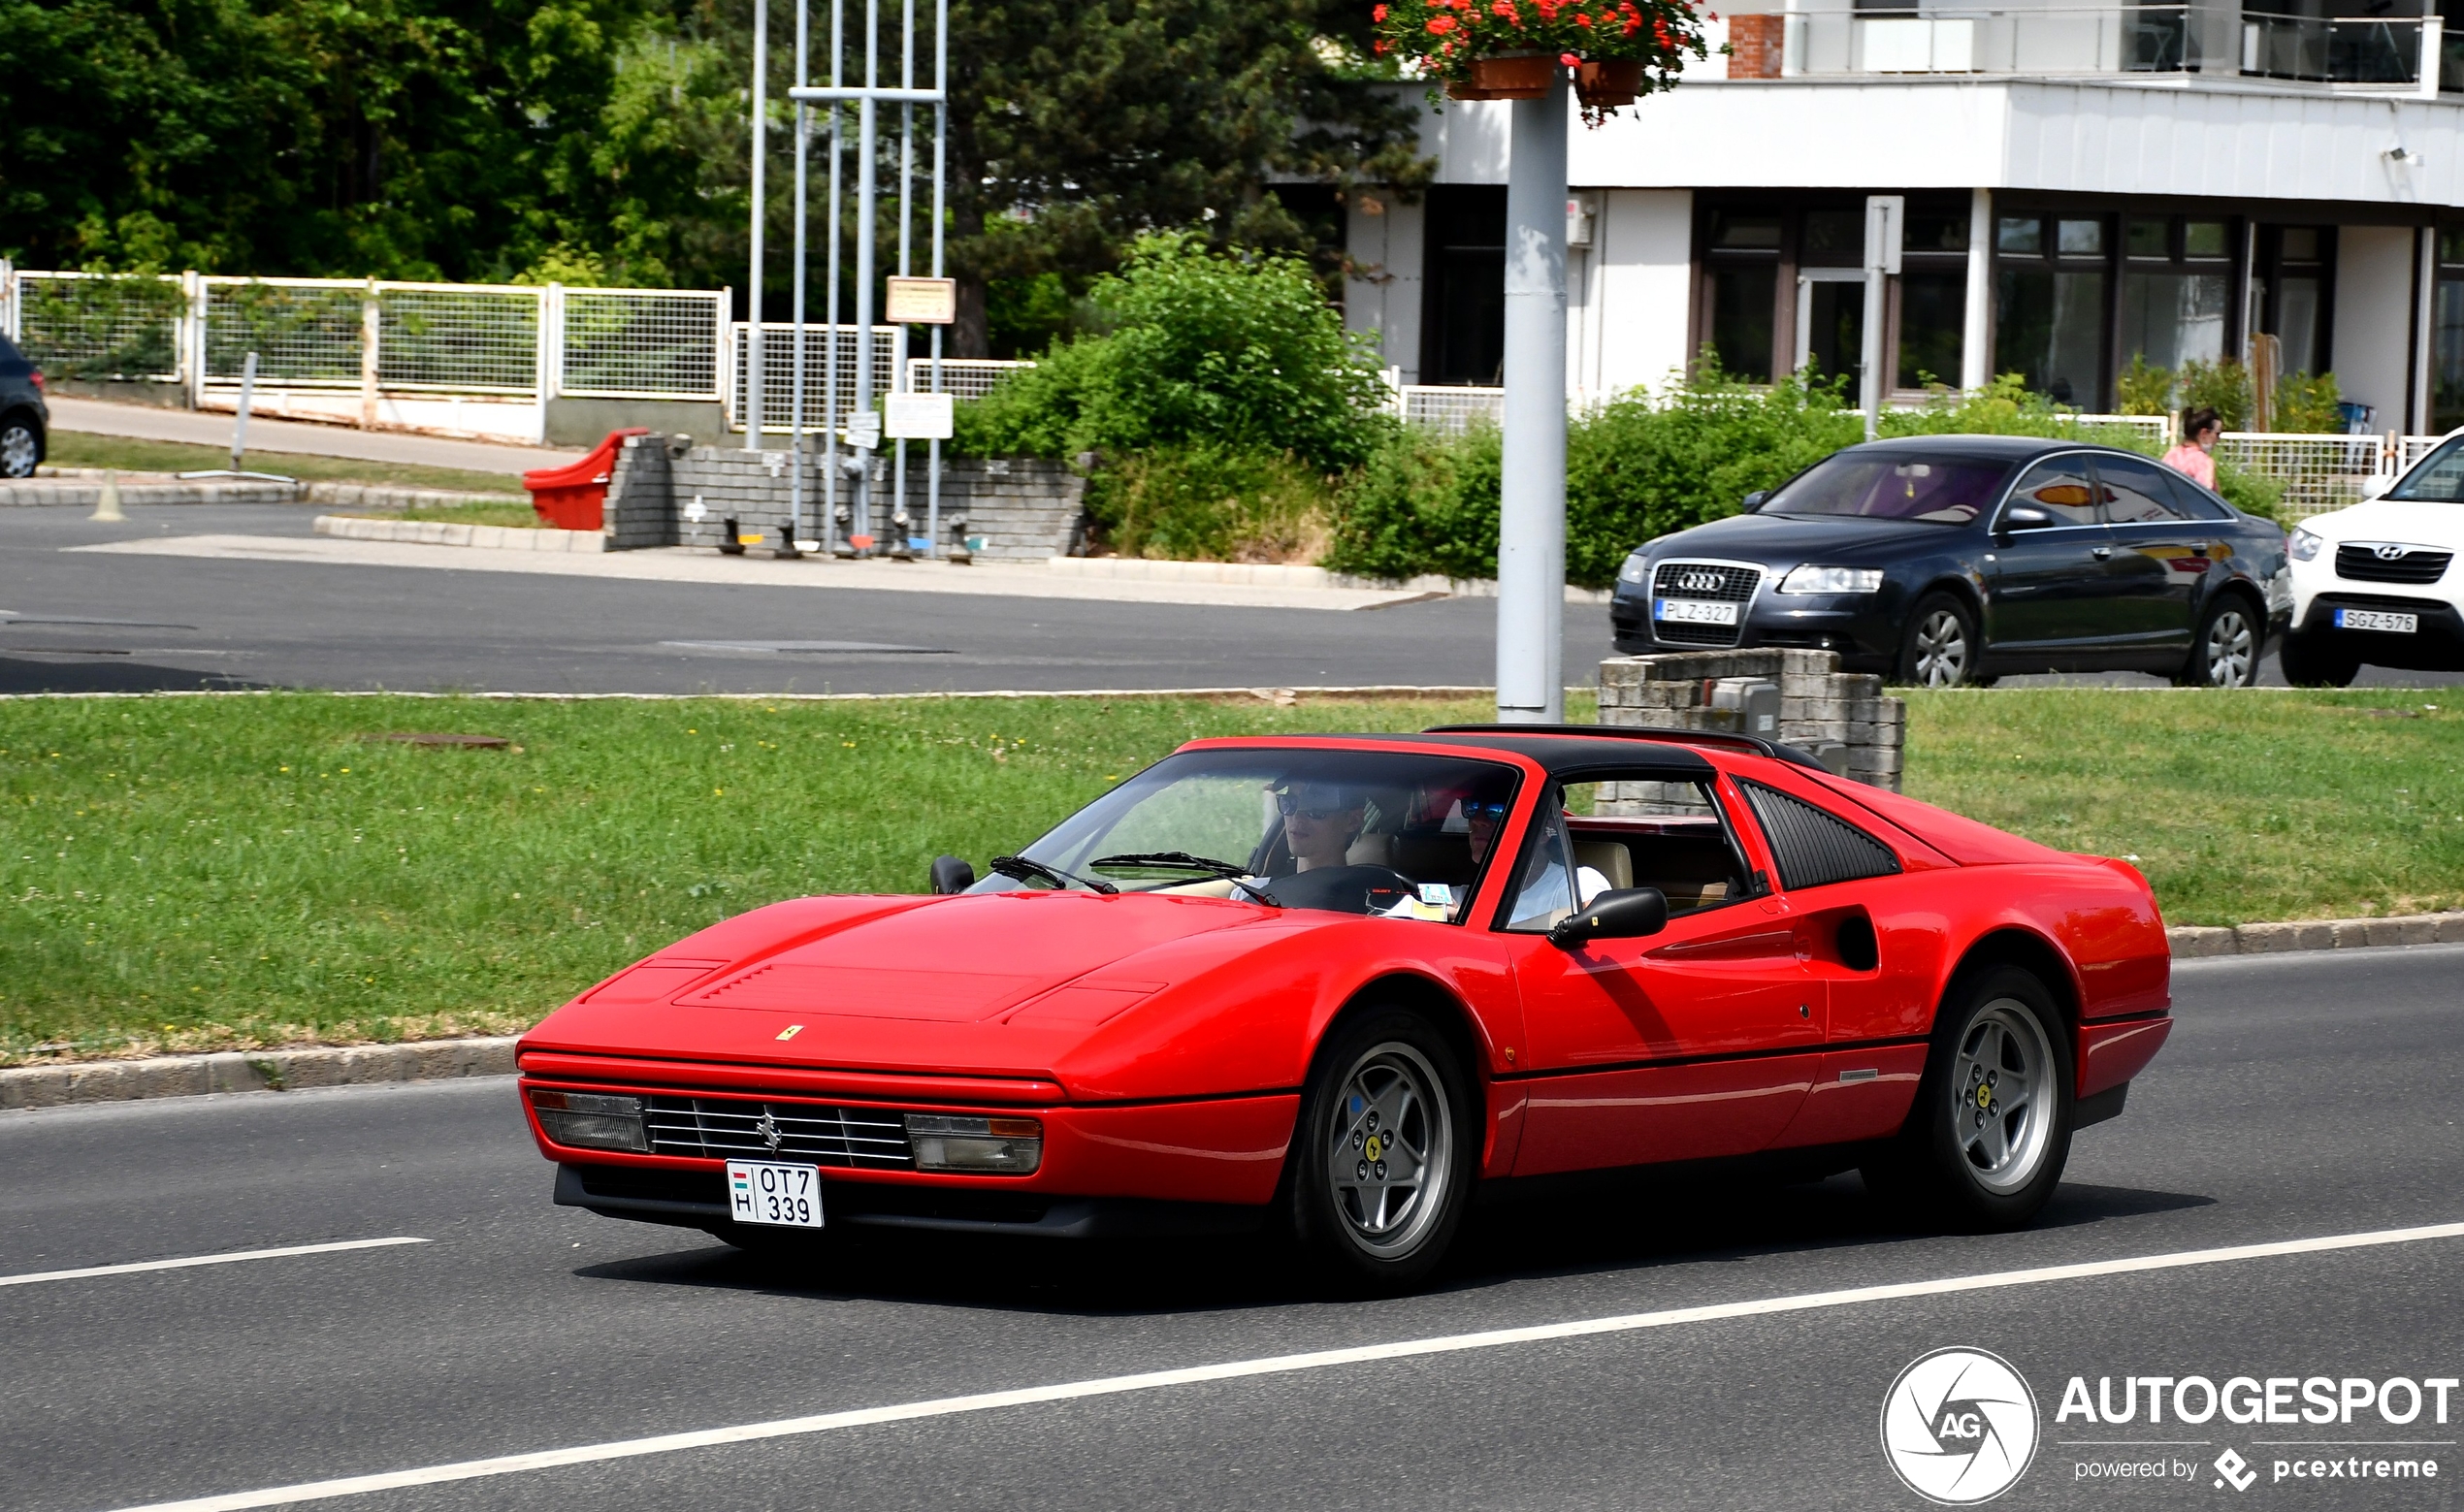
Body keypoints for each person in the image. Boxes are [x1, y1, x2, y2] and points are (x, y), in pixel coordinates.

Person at [2161, 406, 2221, 492]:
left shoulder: (2171, 455)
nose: (2218, 439)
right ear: (2204, 433)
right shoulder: (2203, 462)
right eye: (2217, 434)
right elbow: (2204, 496)